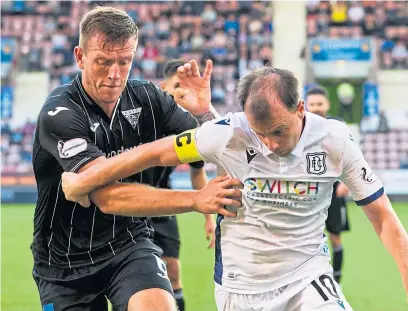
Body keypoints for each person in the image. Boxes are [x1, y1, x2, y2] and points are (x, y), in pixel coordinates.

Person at [62, 66, 408, 311]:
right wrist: (85, 177)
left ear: (300, 108)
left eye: (279, 132)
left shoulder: (335, 141)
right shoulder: (226, 133)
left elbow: (384, 219)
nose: (270, 145)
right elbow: (154, 153)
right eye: (261, 134)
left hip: (307, 277)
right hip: (240, 288)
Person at [31, 6, 242, 311]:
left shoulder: (148, 97)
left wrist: (204, 113)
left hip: (128, 243)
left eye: (124, 61)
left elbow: (213, 144)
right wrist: (196, 198)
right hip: (63, 264)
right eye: (103, 62)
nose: (115, 74)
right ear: (79, 57)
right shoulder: (59, 113)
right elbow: (107, 197)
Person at [151, 59, 216, 311]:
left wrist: (208, 218)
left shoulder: (187, 127)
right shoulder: (146, 116)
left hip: (163, 205)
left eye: (187, 87)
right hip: (129, 204)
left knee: (173, 271)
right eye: (177, 85)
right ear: (163, 86)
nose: (182, 92)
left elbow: (197, 174)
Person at [306, 85, 350, 284]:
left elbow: (350, 156)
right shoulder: (300, 126)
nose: (316, 108)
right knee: (305, 237)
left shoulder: (338, 126)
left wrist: (345, 182)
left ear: (327, 104)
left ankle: (336, 281)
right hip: (306, 192)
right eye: (312, 104)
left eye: (319, 104)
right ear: (305, 105)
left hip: (332, 190)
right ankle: (308, 279)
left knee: (335, 237)